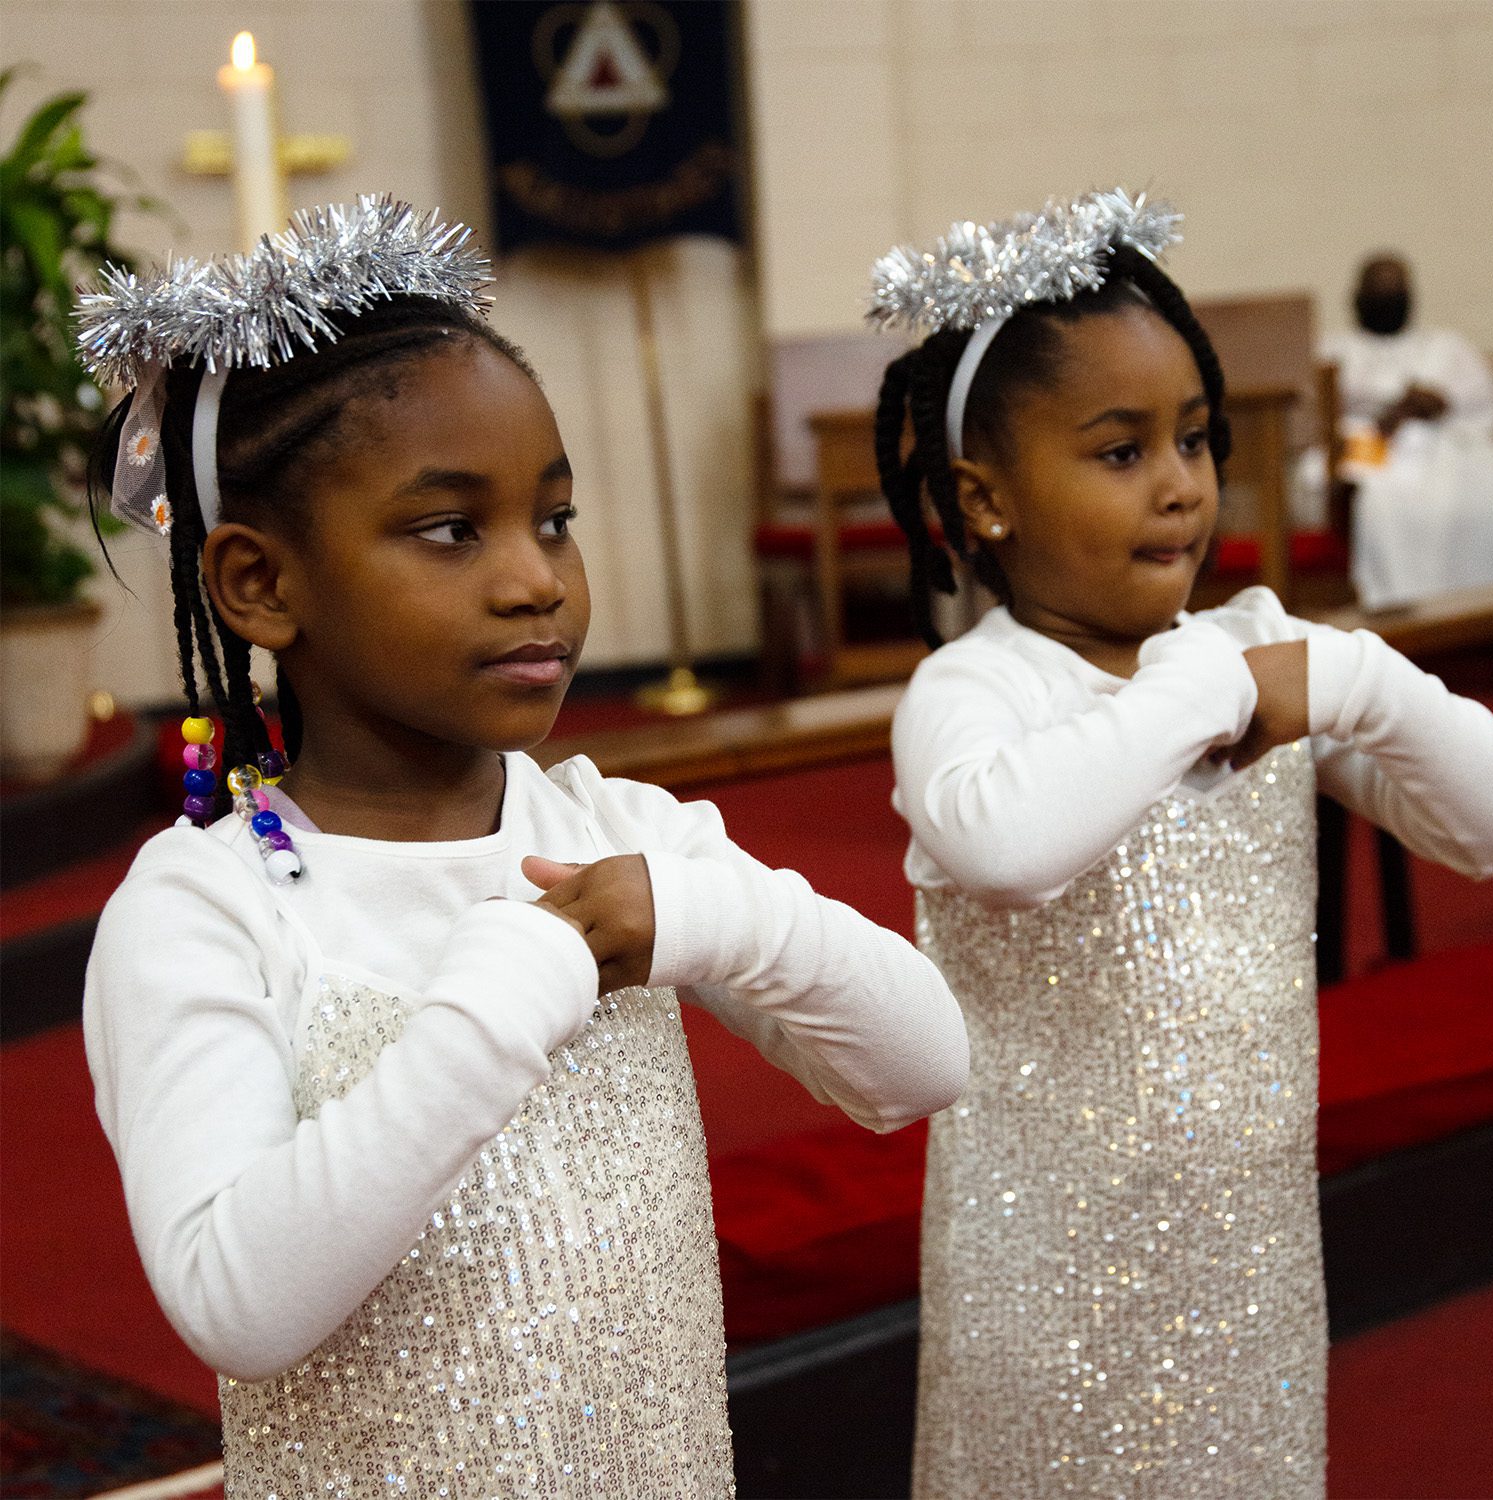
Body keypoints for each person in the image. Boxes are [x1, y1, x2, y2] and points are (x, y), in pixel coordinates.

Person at [79, 199, 968, 1498]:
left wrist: (707, 913)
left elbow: (922, 1061)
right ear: (261, 583)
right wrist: (502, 1003)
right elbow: (238, 1301)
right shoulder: (209, 909)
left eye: (553, 519)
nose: (535, 578)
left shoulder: (613, 832)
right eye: (452, 530)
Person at [868, 191, 1493, 1498]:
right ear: (984, 498)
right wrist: (1208, 686)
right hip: (1040, 1274)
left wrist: (1359, 679)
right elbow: (1007, 844)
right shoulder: (975, 692)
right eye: (1119, 451)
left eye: (1196, 440)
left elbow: (1486, 826)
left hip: (1248, 1262)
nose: (1180, 484)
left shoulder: (1264, 647)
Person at [1316, 252, 1493, 607]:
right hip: (1372, 448)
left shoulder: (1447, 347)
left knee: (1489, 485)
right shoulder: (1335, 350)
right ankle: (1400, 607)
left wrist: (1437, 404)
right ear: (1356, 299)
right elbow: (1321, 418)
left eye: (1395, 293)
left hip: (1446, 450)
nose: (1387, 302)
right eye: (1378, 293)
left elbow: (1483, 413)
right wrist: (1393, 412)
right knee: (1379, 496)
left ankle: (1478, 607)